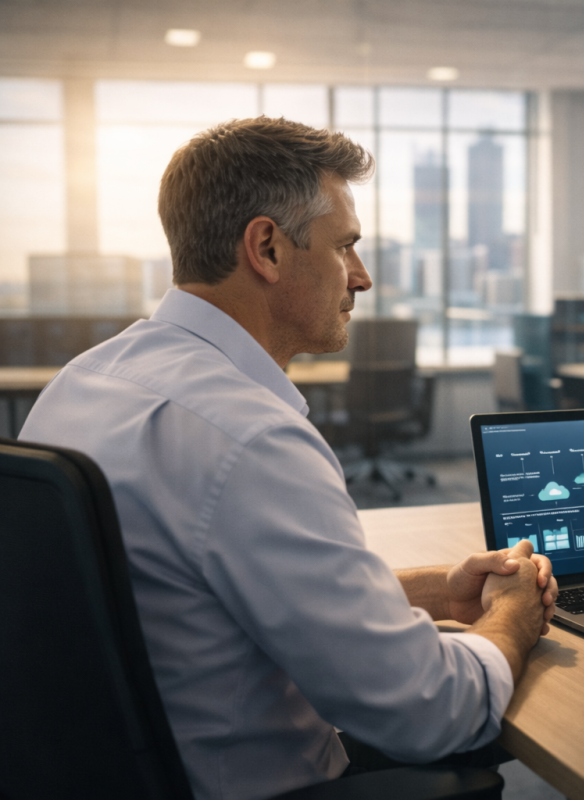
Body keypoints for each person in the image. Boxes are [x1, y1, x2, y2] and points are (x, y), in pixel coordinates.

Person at [19, 117, 557, 800]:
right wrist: (515, 616)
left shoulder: (83, 382)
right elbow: (430, 711)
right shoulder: (249, 438)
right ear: (267, 247)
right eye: (346, 247)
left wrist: (431, 594)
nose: (362, 277)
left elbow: (206, 588)